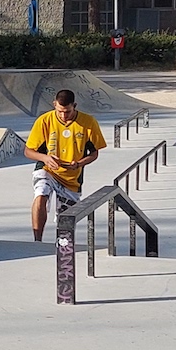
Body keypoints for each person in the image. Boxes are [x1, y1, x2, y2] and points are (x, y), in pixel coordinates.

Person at [26, 88, 106, 241]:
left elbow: (94, 153)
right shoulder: (44, 120)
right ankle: (37, 240)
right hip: (47, 169)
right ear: (54, 104)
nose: (63, 116)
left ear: (74, 106)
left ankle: (63, 246)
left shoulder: (88, 122)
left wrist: (79, 163)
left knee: (66, 219)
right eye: (60, 111)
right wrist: (45, 158)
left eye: (67, 112)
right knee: (41, 194)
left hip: (72, 178)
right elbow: (28, 151)